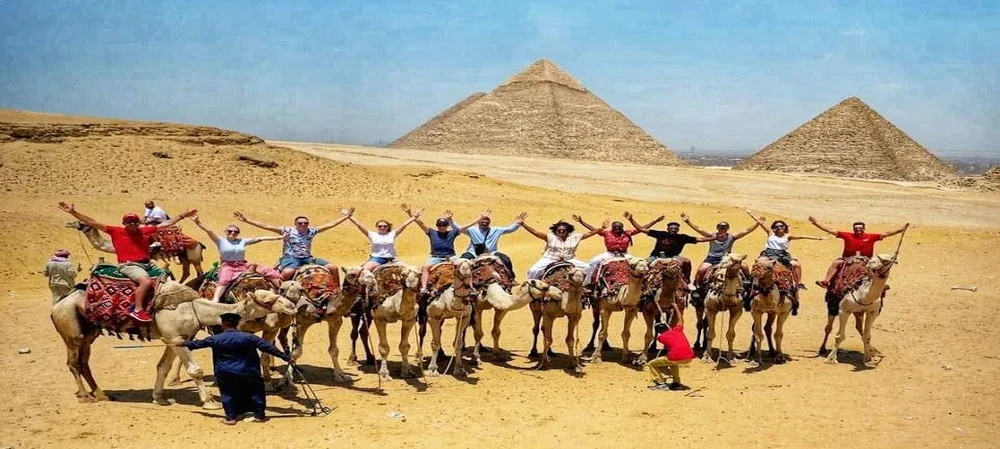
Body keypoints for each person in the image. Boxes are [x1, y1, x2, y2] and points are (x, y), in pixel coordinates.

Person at [57, 202, 196, 322]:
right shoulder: (115, 231)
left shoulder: (143, 231)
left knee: (166, 279)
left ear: (139, 222)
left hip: (147, 264)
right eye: (129, 222)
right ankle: (137, 309)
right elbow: (92, 222)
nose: (132, 224)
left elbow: (166, 223)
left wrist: (183, 215)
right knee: (146, 282)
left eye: (135, 222)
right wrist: (74, 212)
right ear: (124, 224)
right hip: (129, 265)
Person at [182, 312, 292, 425]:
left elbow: (196, 344)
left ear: (223, 324)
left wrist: (182, 343)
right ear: (238, 324)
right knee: (256, 391)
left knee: (228, 393)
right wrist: (286, 358)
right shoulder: (249, 337)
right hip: (249, 370)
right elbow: (269, 347)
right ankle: (259, 415)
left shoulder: (215, 339)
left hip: (225, 371)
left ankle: (231, 417)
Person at [234, 208, 352, 284]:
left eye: (305, 223)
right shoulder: (287, 230)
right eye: (300, 223)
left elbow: (331, 224)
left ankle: (336, 291)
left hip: (308, 258)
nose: (303, 225)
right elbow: (266, 226)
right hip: (291, 258)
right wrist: (246, 220)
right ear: (295, 224)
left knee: (334, 268)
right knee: (286, 273)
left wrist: (346, 217)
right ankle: (279, 291)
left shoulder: (311, 231)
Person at [190, 215, 285, 302]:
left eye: (235, 232)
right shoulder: (220, 241)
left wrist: (279, 238)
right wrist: (198, 222)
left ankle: (280, 292)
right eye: (230, 231)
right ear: (226, 232)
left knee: (267, 272)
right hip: (228, 266)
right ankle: (216, 299)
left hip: (243, 264)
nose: (233, 233)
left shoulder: (242, 241)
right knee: (224, 280)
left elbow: (261, 238)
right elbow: (209, 231)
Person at [808, 217, 909, 288]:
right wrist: (816, 223)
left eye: (860, 228)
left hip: (866, 259)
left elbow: (886, 234)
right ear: (853, 229)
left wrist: (900, 230)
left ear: (864, 229)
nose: (858, 230)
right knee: (836, 263)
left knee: (877, 266)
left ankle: (880, 285)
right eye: (856, 229)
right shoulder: (847, 235)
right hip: (848, 258)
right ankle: (826, 281)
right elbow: (830, 230)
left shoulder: (871, 237)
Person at [404, 206, 484, 292]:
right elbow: (420, 223)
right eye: (440, 225)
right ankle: (424, 287)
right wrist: (410, 213)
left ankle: (470, 286)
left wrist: (480, 218)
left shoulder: (452, 233)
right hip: (435, 257)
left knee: (465, 265)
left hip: (451, 257)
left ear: (447, 226)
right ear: (437, 226)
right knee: (425, 268)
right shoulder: (431, 232)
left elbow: (467, 226)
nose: (442, 227)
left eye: (444, 225)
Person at [626, 212, 710, 290]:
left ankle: (687, 282)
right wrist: (631, 220)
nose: (673, 230)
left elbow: (700, 239)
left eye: (675, 229)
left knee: (687, 262)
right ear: (668, 229)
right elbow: (640, 229)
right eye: (671, 228)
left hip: (673, 257)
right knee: (642, 264)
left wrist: (717, 237)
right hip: (656, 256)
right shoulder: (661, 234)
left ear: (678, 230)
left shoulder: (682, 237)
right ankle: (638, 285)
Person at [746, 212, 826, 290]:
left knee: (796, 265)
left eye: (781, 226)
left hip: (782, 255)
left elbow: (803, 236)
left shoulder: (788, 236)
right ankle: (753, 282)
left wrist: (818, 238)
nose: (779, 227)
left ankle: (798, 284)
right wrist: (750, 214)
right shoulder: (770, 233)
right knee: (759, 263)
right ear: (774, 228)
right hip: (768, 253)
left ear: (785, 227)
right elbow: (760, 222)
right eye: (777, 226)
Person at [682, 211, 761, 286]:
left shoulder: (731, 237)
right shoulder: (712, 235)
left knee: (745, 267)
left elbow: (746, 231)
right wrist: (688, 221)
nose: (722, 229)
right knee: (701, 270)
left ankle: (747, 283)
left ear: (727, 229)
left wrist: (757, 224)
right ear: (717, 228)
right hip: (712, 259)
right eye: (720, 228)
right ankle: (697, 287)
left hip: (727, 259)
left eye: (724, 228)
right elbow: (698, 229)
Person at [345, 205, 422, 272]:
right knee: (365, 270)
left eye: (385, 226)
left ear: (388, 227)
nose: (382, 227)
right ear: (377, 227)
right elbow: (359, 225)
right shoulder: (372, 234)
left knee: (411, 271)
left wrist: (414, 216)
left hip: (392, 259)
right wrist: (349, 216)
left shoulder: (392, 234)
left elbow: (404, 225)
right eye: (380, 226)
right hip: (377, 259)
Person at [521, 217, 603, 280]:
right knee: (533, 271)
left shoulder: (575, 237)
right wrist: (523, 224)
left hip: (569, 259)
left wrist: (601, 228)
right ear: (555, 231)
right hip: (550, 259)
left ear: (568, 231)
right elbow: (535, 232)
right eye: (559, 230)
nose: (561, 232)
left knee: (588, 268)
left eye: (564, 230)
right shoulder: (550, 237)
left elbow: (589, 233)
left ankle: (586, 287)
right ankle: (532, 291)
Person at [457, 210, 526, 276]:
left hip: (491, 253)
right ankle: (455, 281)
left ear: (489, 223)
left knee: (506, 260)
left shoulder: (496, 230)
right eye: (482, 222)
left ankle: (510, 278)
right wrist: (450, 220)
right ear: (478, 222)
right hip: (473, 253)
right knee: (460, 261)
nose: (484, 224)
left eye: (486, 223)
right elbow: (458, 229)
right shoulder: (472, 230)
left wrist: (517, 223)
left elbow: (510, 229)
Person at [573, 215, 637, 284]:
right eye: (615, 227)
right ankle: (588, 282)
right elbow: (593, 229)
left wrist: (631, 220)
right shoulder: (607, 233)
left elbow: (641, 229)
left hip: (624, 254)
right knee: (594, 261)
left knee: (638, 264)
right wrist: (581, 222)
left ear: (622, 227)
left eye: (619, 227)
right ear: (612, 227)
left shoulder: (627, 233)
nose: (617, 228)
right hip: (609, 254)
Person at [645, 302, 694, 391]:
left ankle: (660, 383)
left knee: (651, 364)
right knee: (672, 363)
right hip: (690, 357)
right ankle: (676, 382)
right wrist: (676, 308)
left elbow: (667, 348)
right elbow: (680, 319)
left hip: (676, 357)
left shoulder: (660, 337)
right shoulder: (678, 330)